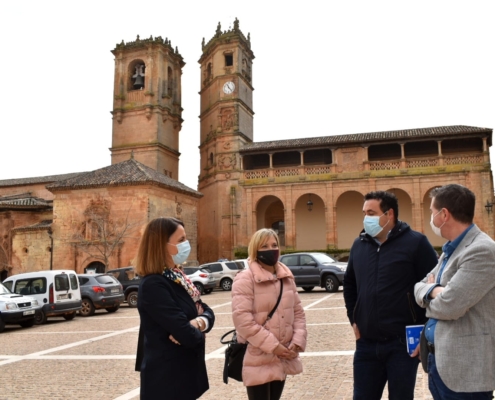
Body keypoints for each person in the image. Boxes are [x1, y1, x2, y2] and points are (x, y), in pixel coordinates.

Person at [343, 191, 438, 400]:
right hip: (366, 345)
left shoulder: (416, 243)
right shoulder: (359, 245)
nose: (366, 218)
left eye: (371, 212)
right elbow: (349, 284)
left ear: (389, 214)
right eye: (364, 213)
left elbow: (434, 287)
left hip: (401, 346)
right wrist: (354, 319)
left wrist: (425, 334)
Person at [414, 184, 495, 399]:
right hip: (440, 363)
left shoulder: (481, 250)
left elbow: (450, 306)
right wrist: (435, 290)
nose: (431, 218)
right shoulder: (451, 249)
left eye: (432, 212)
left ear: (444, 214)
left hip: (465, 373)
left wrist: (432, 292)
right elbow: (418, 286)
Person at [134, 217, 215, 400]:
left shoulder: (178, 277)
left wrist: (198, 322)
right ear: (161, 245)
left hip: (184, 377)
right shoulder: (154, 284)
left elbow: (206, 310)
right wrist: (193, 329)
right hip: (166, 381)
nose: (186, 244)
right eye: (180, 240)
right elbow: (186, 334)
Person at [231, 228, 307, 400]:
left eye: (274, 245)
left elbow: (298, 313)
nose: (270, 249)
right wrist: (274, 346)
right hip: (257, 355)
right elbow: (242, 320)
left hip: (283, 355)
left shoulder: (286, 277)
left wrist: (297, 342)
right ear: (255, 250)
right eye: (264, 246)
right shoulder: (245, 278)